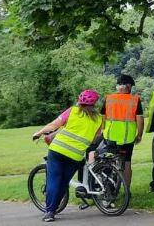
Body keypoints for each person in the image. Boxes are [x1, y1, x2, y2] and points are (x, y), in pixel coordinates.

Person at [32, 90, 103, 223]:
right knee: (63, 182)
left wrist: (39, 132)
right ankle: (55, 207)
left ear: (79, 101)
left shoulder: (73, 111)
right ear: (95, 103)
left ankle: (50, 212)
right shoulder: (99, 119)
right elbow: (95, 139)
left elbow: (54, 125)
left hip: (57, 151)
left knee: (53, 180)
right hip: (75, 156)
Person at [100, 74, 144, 188]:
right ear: (128, 86)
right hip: (127, 139)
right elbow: (140, 119)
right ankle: (127, 190)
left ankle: (108, 190)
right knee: (127, 163)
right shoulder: (135, 100)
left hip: (110, 137)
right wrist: (139, 135)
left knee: (108, 162)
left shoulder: (108, 98)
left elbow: (102, 118)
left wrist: (102, 130)